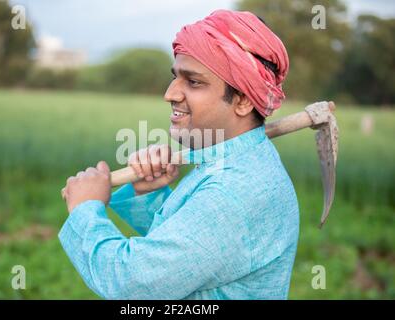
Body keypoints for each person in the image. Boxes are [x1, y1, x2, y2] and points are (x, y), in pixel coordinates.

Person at [59, 10, 299, 300]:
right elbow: (193, 257)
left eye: (193, 82)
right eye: (175, 77)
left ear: (244, 101)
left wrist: (86, 210)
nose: (170, 93)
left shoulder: (231, 191)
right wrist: (143, 194)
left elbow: (133, 284)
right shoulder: (232, 163)